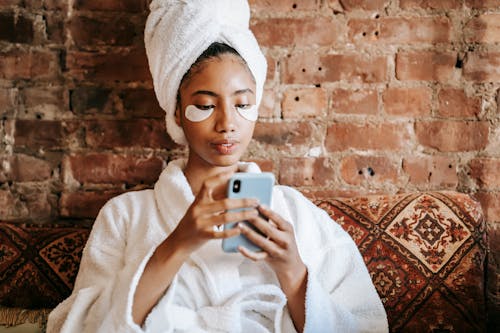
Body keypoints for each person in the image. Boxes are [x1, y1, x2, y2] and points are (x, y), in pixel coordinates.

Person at [47, 1, 388, 332]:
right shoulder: (125, 216)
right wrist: (177, 244)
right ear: (178, 112)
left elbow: (368, 324)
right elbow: (75, 327)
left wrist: (294, 272)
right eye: (206, 105)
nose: (228, 123)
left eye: (242, 103)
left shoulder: (296, 213)